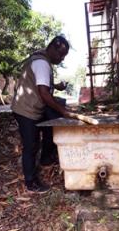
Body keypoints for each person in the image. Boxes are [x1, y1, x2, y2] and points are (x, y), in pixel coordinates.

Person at [11, 36, 74, 193]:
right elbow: (44, 94)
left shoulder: (42, 60)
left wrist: (57, 86)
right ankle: (31, 182)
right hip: (26, 110)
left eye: (64, 56)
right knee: (31, 146)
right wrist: (64, 112)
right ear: (52, 48)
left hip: (34, 107)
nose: (61, 58)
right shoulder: (42, 64)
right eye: (60, 54)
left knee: (51, 125)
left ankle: (46, 158)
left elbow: (42, 85)